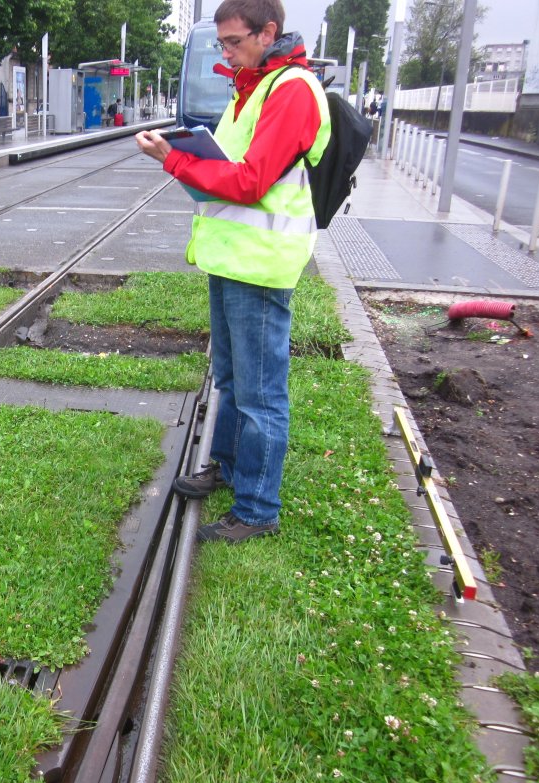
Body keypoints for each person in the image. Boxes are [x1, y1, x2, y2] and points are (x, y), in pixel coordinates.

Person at [135, 0, 330, 544]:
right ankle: (228, 467)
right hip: (233, 257)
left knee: (261, 392)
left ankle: (258, 509)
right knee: (232, 378)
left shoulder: (290, 90)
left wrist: (171, 159)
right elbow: (229, 168)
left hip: (260, 266)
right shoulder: (254, 85)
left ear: (268, 32)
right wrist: (190, 154)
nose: (227, 52)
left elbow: (249, 182)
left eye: (234, 42)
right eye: (221, 44)